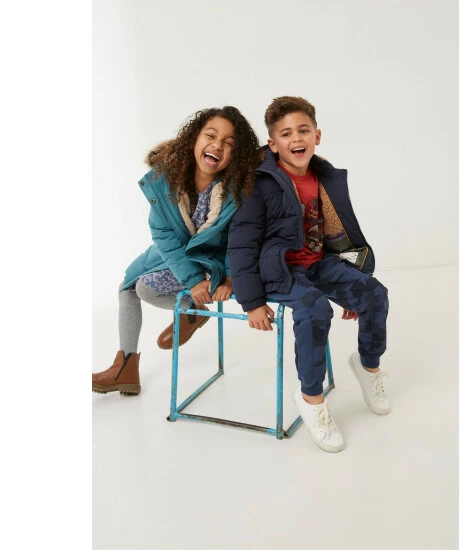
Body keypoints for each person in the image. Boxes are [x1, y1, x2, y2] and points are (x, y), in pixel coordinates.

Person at [228, 96, 390, 453]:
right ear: (273, 144)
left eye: (303, 130)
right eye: (286, 133)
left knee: (375, 294)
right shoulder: (260, 183)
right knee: (316, 309)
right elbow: (241, 244)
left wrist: (353, 284)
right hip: (279, 271)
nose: (296, 138)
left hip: (318, 262)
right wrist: (251, 301)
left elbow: (340, 229)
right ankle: (311, 399)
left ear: (317, 135)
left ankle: (369, 367)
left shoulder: (325, 175)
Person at [93, 106, 260, 396]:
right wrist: (191, 280)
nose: (217, 146)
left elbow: (240, 238)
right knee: (127, 286)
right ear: (194, 139)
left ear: (237, 155)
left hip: (213, 259)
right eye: (210, 136)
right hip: (180, 251)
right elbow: (163, 234)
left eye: (229, 144)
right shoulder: (168, 180)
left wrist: (227, 277)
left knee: (146, 289)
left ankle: (191, 311)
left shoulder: (236, 190)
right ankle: (126, 366)